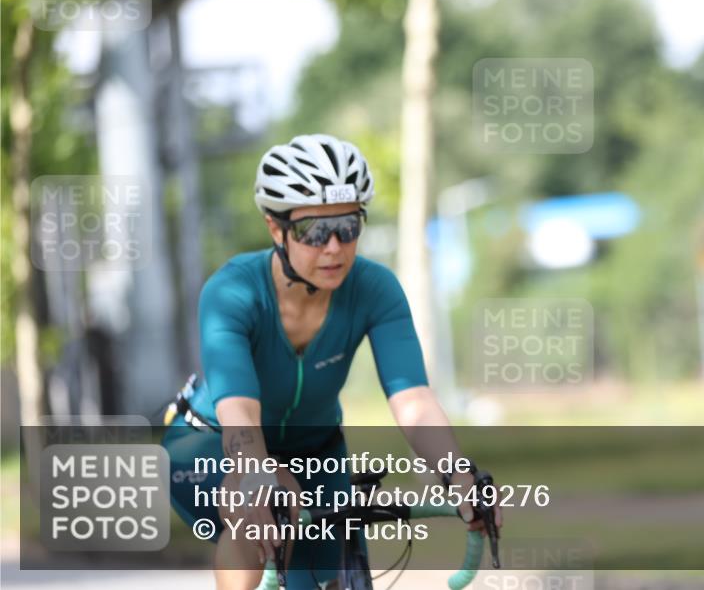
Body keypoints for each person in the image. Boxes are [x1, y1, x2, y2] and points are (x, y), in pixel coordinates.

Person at [162, 134, 500, 590]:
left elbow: (414, 399)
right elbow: (239, 412)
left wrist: (458, 476)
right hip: (211, 444)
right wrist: (257, 473)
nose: (334, 247)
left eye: (348, 226)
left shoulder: (375, 288)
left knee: (332, 579)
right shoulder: (232, 292)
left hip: (316, 454)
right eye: (313, 231)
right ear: (275, 229)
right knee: (253, 503)